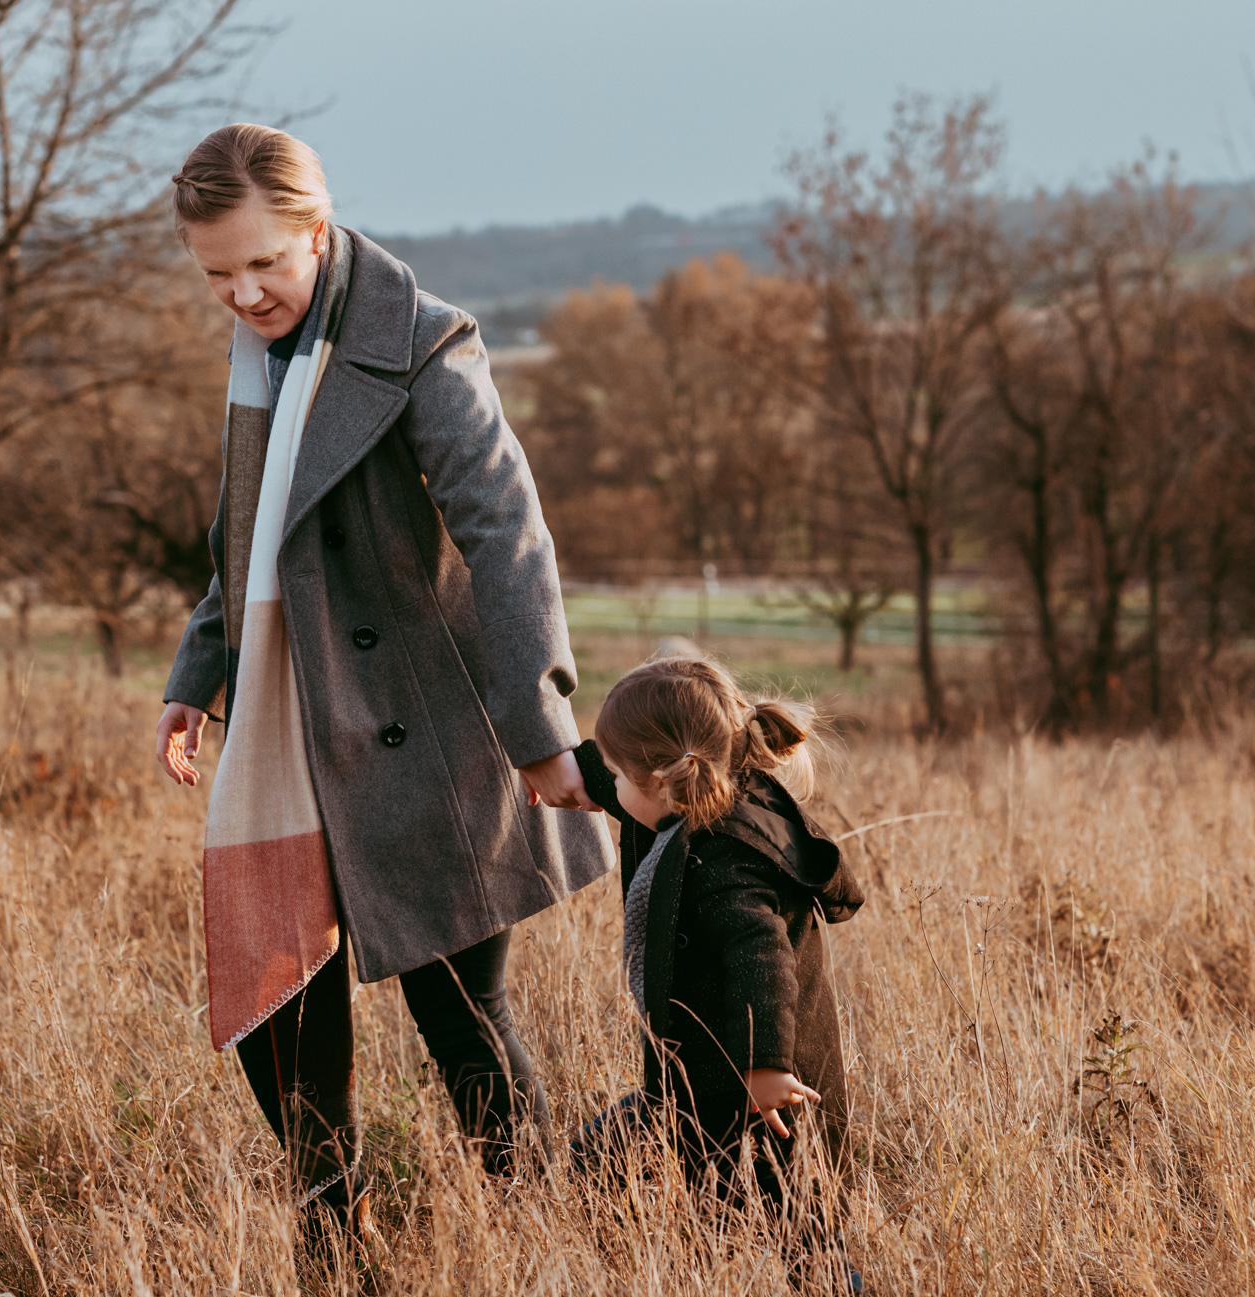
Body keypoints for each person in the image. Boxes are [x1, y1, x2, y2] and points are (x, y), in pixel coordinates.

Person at [152, 123, 612, 1242]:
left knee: (460, 1014)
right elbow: (247, 537)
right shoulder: (259, 363)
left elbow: (507, 531)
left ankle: (527, 1235)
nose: (245, 293)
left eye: (265, 262)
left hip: (430, 730)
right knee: (280, 1014)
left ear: (318, 229)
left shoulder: (422, 343)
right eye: (218, 273)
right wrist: (196, 675)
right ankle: (333, 1233)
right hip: (288, 734)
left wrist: (537, 723)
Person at [568, 654, 864, 1289]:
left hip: (774, 1099)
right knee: (599, 1164)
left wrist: (766, 1069)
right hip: (701, 1081)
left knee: (809, 1245)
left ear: (661, 779)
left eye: (617, 776)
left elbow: (765, 962)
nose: (612, 790)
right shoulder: (703, 801)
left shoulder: (729, 860)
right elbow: (628, 791)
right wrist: (578, 769)